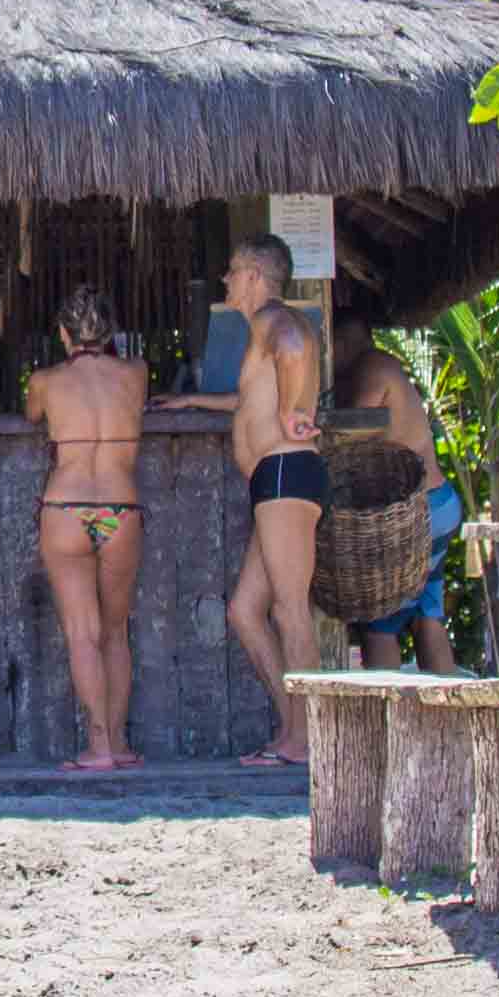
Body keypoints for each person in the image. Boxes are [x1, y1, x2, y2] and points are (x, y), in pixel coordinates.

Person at [201, 234, 327, 765]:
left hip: (284, 474)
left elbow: (296, 347)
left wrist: (297, 411)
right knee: (246, 611)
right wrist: (192, 399)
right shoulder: (262, 327)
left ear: (254, 274)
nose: (226, 280)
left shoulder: (276, 320)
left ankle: (311, 740)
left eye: (232, 270)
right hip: (272, 481)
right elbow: (254, 395)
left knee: (291, 610)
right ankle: (291, 728)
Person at [23, 286, 150, 770]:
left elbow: (33, 416)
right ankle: (117, 744)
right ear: (112, 332)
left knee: (82, 632)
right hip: (121, 507)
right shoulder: (136, 374)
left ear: (62, 333)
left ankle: (97, 747)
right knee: (115, 632)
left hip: (66, 507)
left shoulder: (45, 380)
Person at [337, 313, 465, 675]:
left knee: (379, 620)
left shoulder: (372, 368)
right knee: (428, 615)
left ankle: (386, 725)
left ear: (343, 344)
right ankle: (446, 720)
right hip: (438, 505)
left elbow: (351, 430)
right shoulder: (384, 365)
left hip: (416, 514)